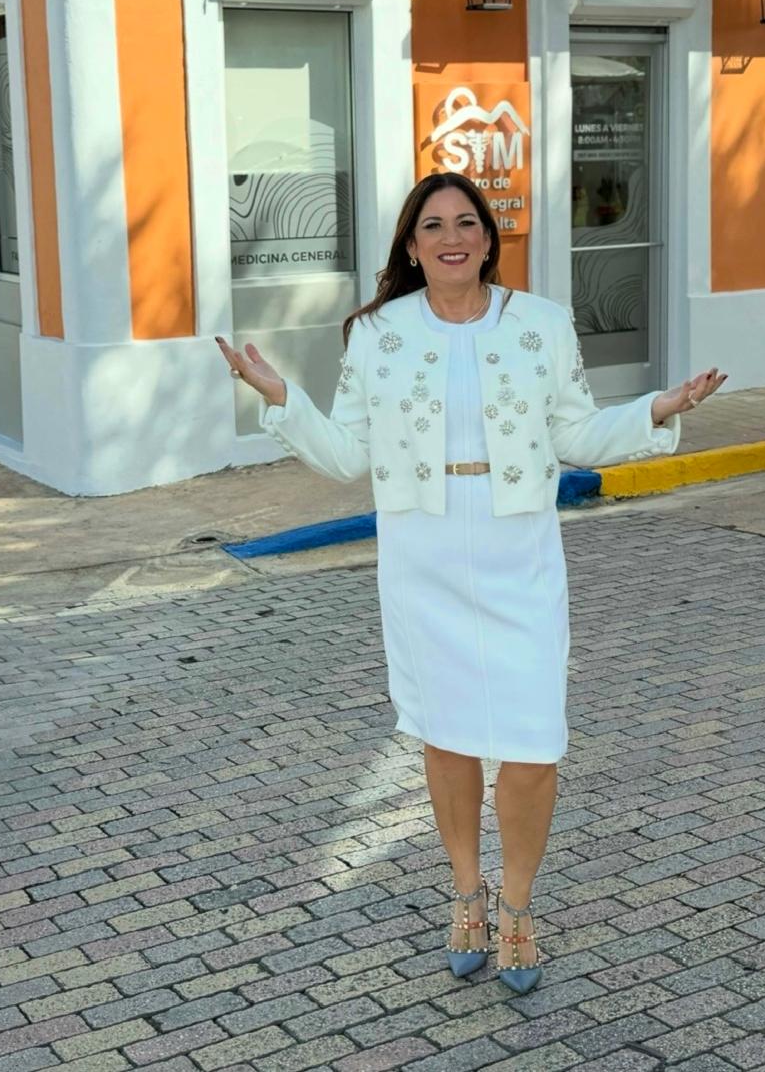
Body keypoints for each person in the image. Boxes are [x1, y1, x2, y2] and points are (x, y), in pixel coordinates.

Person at [216, 173, 726, 993]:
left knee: (533, 739)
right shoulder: (377, 333)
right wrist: (282, 400)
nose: (450, 237)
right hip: (422, 553)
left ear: (489, 239)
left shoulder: (541, 324)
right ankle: (465, 892)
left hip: (517, 547)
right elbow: (347, 454)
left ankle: (517, 904)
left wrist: (657, 409)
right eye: (432, 225)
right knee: (446, 734)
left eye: (465, 222)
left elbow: (576, 433)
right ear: (412, 246)